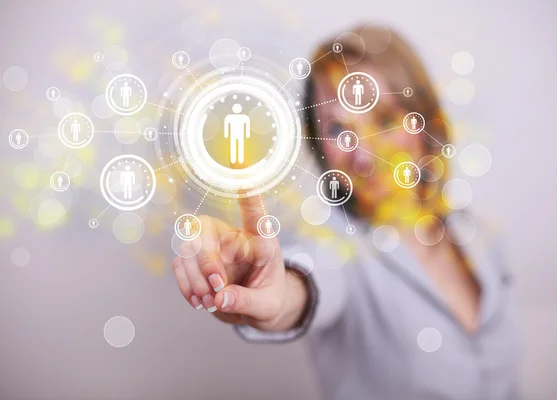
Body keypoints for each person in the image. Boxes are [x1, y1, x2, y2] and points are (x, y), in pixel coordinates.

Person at [171, 25, 519, 400]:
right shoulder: (333, 246)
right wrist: (276, 291)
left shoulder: (481, 236)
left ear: (425, 121)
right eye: (339, 129)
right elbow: (308, 282)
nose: (365, 155)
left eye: (384, 119)